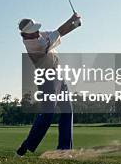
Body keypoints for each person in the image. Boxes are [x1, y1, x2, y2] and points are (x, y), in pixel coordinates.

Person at [15, 13, 81, 156]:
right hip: (47, 79)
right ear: (26, 35)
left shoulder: (36, 36)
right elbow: (58, 32)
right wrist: (72, 19)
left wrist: (74, 26)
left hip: (58, 75)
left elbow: (58, 34)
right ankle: (25, 147)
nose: (38, 32)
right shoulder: (35, 44)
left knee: (67, 111)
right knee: (47, 115)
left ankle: (64, 150)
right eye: (34, 31)